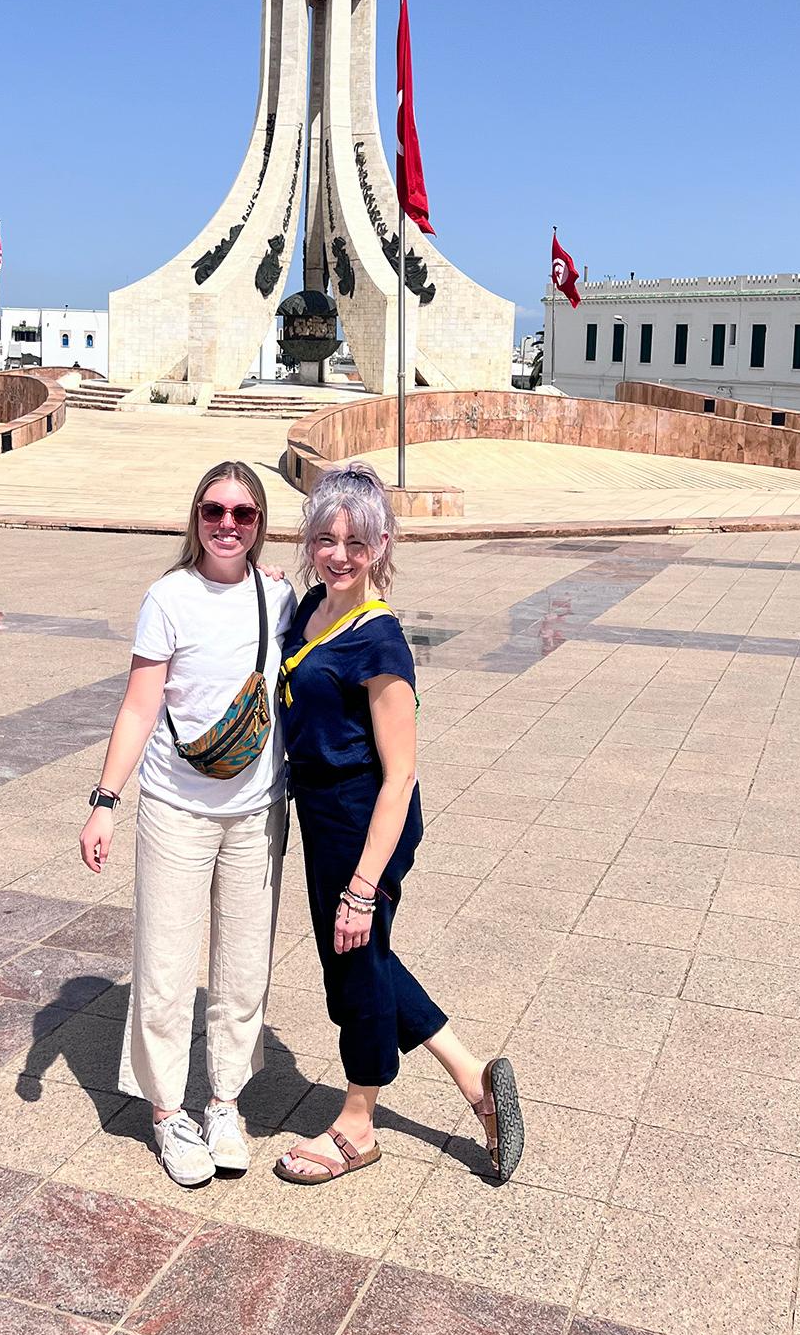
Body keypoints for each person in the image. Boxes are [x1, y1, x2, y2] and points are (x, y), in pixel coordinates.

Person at [274, 462, 523, 1185]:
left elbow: (401, 773)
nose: (341, 555)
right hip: (321, 814)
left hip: (364, 816)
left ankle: (358, 1122)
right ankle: (474, 1079)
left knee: (353, 962)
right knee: (366, 957)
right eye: (327, 538)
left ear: (382, 545)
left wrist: (361, 885)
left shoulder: (378, 640)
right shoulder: (310, 610)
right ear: (309, 542)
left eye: (358, 541)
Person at [79, 461, 295, 1188]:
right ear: (194, 517)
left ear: (261, 524)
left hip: (258, 812)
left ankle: (224, 1103)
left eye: (243, 514)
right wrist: (105, 802)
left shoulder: (280, 597)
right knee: (166, 971)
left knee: (242, 972)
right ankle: (168, 1114)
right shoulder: (168, 597)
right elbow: (140, 705)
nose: (227, 525)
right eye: (214, 511)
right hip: (175, 810)